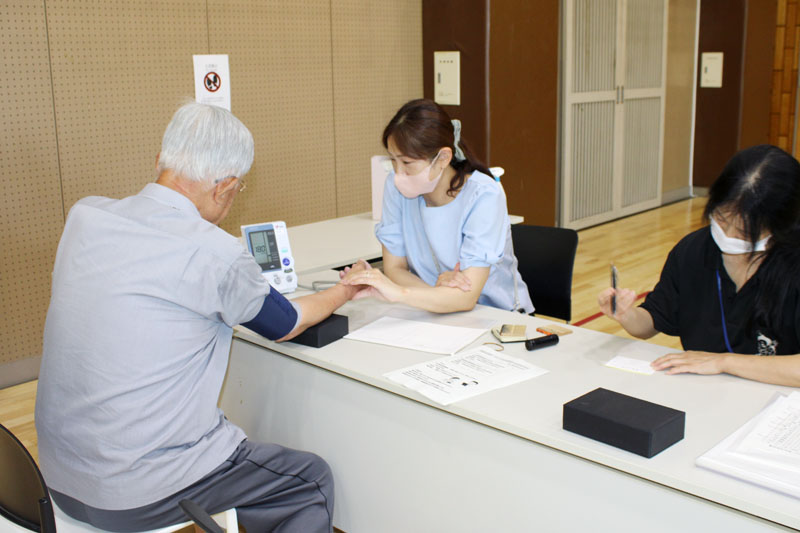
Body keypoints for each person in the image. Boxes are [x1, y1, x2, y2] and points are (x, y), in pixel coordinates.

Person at [35, 102, 365, 532]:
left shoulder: (85, 216)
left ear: (161, 161)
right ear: (225, 187)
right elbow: (286, 323)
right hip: (136, 491)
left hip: (57, 478)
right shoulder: (216, 253)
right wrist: (346, 289)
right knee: (307, 481)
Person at [598, 144, 800, 387]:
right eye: (721, 219)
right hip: (705, 395)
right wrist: (627, 314)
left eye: (744, 232)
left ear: (782, 224)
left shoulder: (793, 266)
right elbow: (651, 322)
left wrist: (724, 362)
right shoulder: (693, 252)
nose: (727, 235)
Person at [340, 98, 534, 314]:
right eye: (393, 160)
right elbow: (394, 268)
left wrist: (400, 292)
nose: (397, 174)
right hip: (430, 311)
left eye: (407, 163)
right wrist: (437, 294)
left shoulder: (483, 195)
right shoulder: (396, 187)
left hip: (495, 316)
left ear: (443, 158)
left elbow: (465, 298)